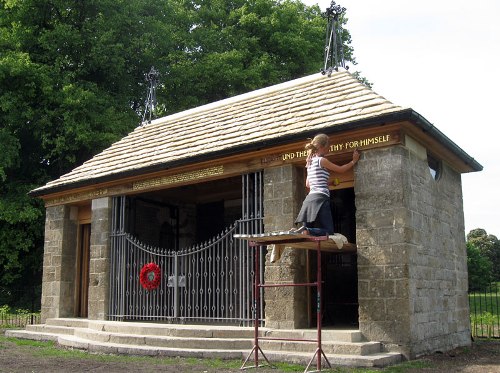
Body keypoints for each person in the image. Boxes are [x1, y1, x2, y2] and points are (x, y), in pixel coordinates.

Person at [292, 133, 360, 236]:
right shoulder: (321, 160)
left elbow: (308, 184)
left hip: (309, 199)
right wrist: (354, 161)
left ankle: (302, 230)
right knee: (328, 231)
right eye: (328, 147)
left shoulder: (309, 162)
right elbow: (341, 170)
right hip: (321, 198)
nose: (328, 150)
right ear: (322, 147)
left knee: (305, 231)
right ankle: (307, 231)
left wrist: (329, 183)